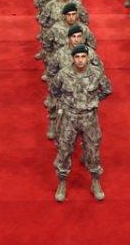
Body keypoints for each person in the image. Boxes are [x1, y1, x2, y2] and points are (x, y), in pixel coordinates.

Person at [50, 44, 112, 202]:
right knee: (64, 149)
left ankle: (95, 181)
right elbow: (54, 89)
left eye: (83, 57)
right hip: (69, 118)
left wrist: (92, 102)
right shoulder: (64, 74)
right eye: (77, 57)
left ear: (88, 57)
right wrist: (66, 104)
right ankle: (62, 182)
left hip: (89, 118)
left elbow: (107, 90)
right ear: (72, 58)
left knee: (93, 150)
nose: (80, 60)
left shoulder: (96, 74)